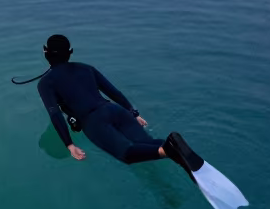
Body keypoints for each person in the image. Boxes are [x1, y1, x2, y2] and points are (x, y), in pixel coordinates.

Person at [37, 33, 204, 178]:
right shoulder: (86, 68)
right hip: (115, 110)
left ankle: (169, 151)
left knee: (127, 154)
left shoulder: (45, 83)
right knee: (147, 144)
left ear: (46, 52)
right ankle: (175, 149)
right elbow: (113, 91)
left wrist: (69, 145)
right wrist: (133, 113)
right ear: (70, 52)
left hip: (93, 121)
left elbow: (55, 114)